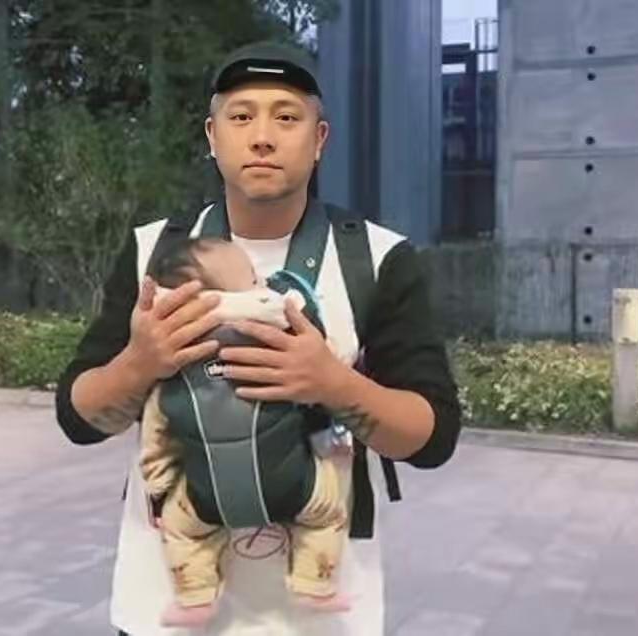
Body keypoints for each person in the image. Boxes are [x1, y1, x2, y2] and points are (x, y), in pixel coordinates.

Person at [56, 40, 461, 636]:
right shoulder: (154, 251)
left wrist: (332, 383)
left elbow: (433, 437)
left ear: (319, 139)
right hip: (163, 612)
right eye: (241, 116)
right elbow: (78, 417)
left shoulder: (377, 257)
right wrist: (139, 364)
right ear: (212, 135)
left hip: (321, 617)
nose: (263, 137)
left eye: (287, 117)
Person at [138, 237, 354, 629]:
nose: (264, 285)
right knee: (329, 512)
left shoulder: (173, 365)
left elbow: (156, 436)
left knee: (180, 529)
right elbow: (334, 360)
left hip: (204, 497)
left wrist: (159, 486)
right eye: (253, 280)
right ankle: (314, 584)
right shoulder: (280, 342)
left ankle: (194, 597)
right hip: (295, 484)